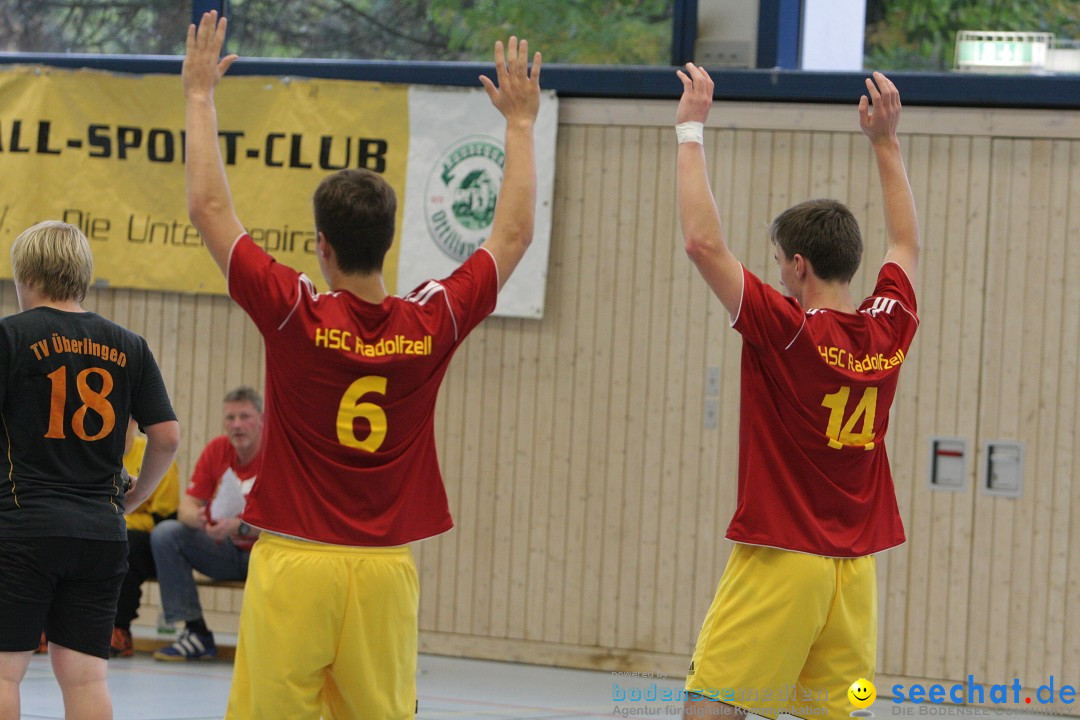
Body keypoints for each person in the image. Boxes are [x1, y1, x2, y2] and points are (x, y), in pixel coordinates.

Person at [183, 10, 540, 718]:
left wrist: (199, 96)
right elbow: (514, 233)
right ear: (389, 239)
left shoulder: (295, 313)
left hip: (295, 565)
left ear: (321, 245)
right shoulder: (430, 320)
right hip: (383, 572)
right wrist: (522, 125)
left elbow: (209, 207)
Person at [674, 65, 920, 719]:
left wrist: (689, 129)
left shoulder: (788, 331)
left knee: (712, 706)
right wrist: (886, 143)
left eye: (779, 259)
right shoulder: (888, 328)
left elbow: (702, 243)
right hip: (855, 575)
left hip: (782, 558)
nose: (776, 269)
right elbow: (906, 242)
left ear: (799, 265)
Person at [0, 221, 179, 720]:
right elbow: (166, 437)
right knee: (86, 678)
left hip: (23, 527)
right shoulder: (128, 345)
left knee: (3, 672)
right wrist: (133, 500)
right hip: (101, 533)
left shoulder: (9, 337)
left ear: (26, 276)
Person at [151, 385, 263, 661]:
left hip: (264, 555)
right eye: (230, 418)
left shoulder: (277, 455)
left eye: (244, 417)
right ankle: (196, 632)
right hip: (223, 549)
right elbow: (187, 505)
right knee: (167, 533)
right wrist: (197, 518)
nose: (236, 425)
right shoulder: (218, 449)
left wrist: (241, 526)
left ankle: (271, 641)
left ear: (262, 420)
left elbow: (289, 523)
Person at [110, 418, 181, 658]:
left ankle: (119, 629)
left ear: (133, 421)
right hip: (102, 530)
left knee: (127, 545)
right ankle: (46, 626)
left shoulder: (152, 456)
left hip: (146, 545)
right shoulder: (94, 456)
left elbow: (166, 517)